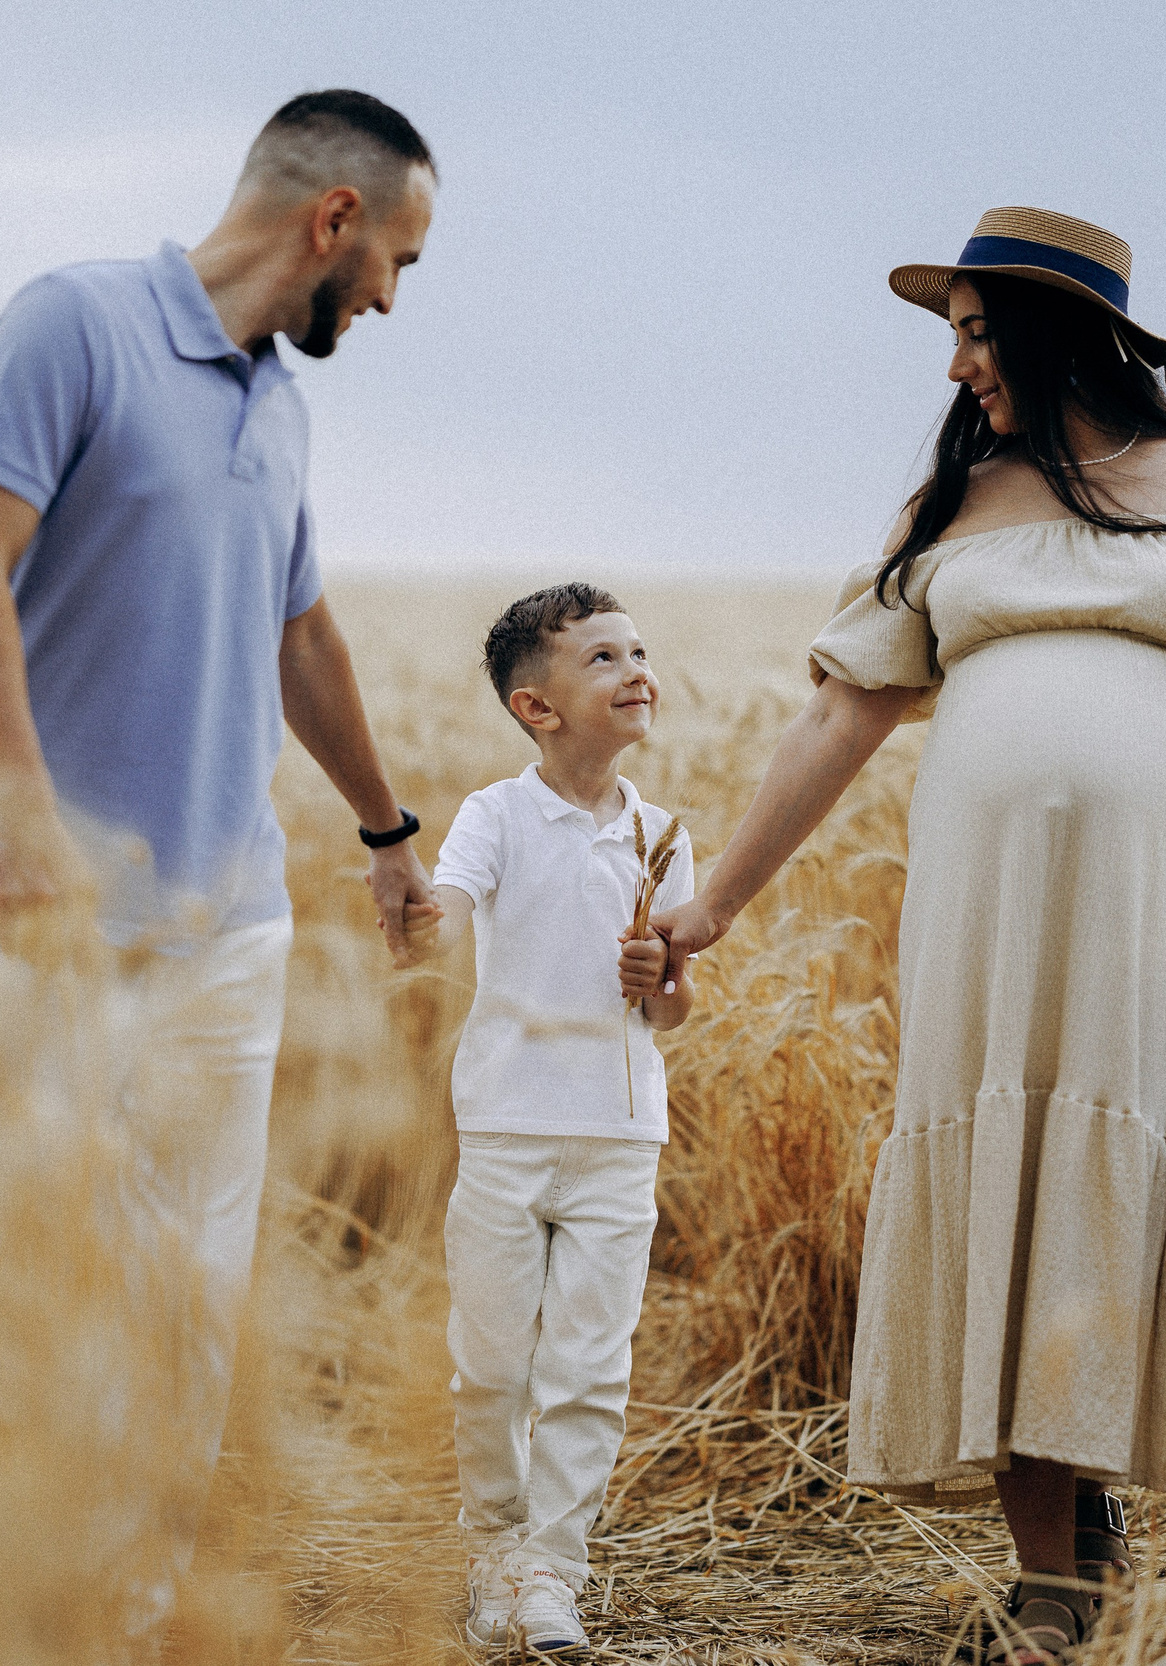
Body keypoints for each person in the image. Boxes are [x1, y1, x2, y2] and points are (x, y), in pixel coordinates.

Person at [651, 208, 1166, 1665]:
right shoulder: (952, 507)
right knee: (1005, 1161)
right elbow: (839, 716)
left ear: (1054, 334)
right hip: (987, 903)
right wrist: (712, 905)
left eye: (974, 333)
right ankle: (1052, 1576)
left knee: (1117, 1155)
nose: (956, 365)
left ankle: (1084, 1519)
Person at [0, 89, 439, 1622]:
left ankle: (136, 1611)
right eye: (397, 260)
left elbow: (302, 634)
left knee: (196, 1298)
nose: (393, 299)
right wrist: (25, 818)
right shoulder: (72, 327)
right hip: (44, 919)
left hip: (233, 927)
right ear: (333, 218)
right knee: (36, 1274)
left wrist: (387, 831)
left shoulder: (280, 399)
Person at [389, 584, 696, 1652]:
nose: (635, 669)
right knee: (489, 1364)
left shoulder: (662, 835)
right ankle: (494, 1550)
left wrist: (660, 976)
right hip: (506, 1129)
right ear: (537, 707)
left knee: (590, 1367)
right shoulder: (496, 815)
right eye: (603, 657)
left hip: (619, 1136)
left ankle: (553, 1569)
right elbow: (452, 907)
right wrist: (421, 918)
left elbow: (674, 1007)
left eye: (638, 650)